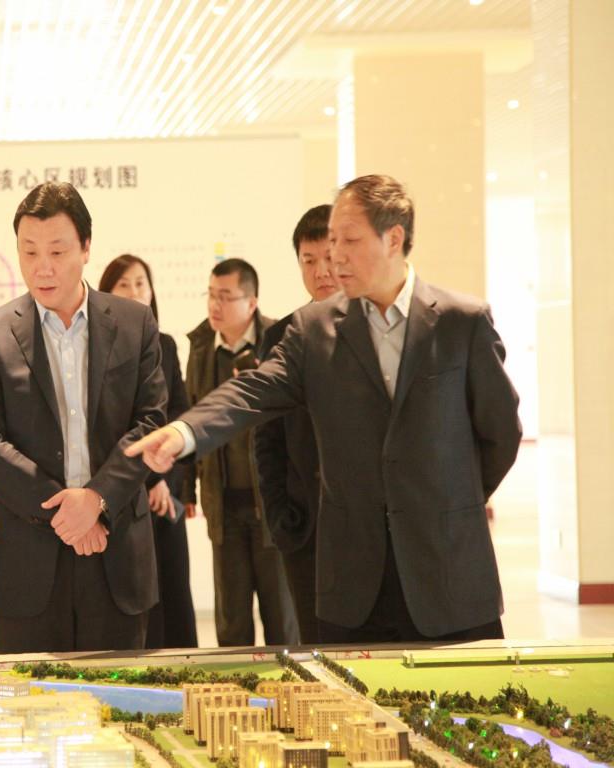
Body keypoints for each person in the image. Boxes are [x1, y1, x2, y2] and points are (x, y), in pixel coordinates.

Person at [127, 174, 522, 643]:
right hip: (353, 585)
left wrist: (448, 502)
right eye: (331, 241)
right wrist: (185, 432)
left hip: (450, 575)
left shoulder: (462, 322)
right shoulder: (314, 330)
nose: (335, 255)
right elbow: (254, 390)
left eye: (349, 240)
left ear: (393, 239)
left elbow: (501, 434)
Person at [0, 182, 166, 654]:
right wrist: (67, 512)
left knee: (119, 693)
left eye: (57, 251)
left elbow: (150, 421)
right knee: (29, 695)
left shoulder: (134, 323)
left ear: (86, 248)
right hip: (29, 562)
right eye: (29, 251)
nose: (43, 267)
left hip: (116, 551)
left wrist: (97, 499)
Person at [182, 258, 298, 647]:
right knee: (231, 619)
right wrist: (186, 487)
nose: (214, 305)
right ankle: (237, 682)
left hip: (272, 505)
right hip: (223, 504)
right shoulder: (201, 347)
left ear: (251, 302)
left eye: (225, 297)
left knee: (282, 615)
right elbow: (191, 413)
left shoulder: (278, 341)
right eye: (211, 295)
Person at [98, 253, 198, 649]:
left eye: (141, 282)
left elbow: (179, 417)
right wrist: (147, 479)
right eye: (124, 284)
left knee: (174, 593)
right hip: (122, 495)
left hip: (165, 495)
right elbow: (114, 427)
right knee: (132, 603)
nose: (135, 291)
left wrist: (165, 483)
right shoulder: (99, 350)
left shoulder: (166, 346)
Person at [254, 204, 336, 644]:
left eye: (329, 257)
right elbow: (266, 439)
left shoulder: (375, 329)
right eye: (309, 260)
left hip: (369, 529)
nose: (321, 271)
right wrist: (280, 517)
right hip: (304, 527)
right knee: (314, 643)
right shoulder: (281, 335)